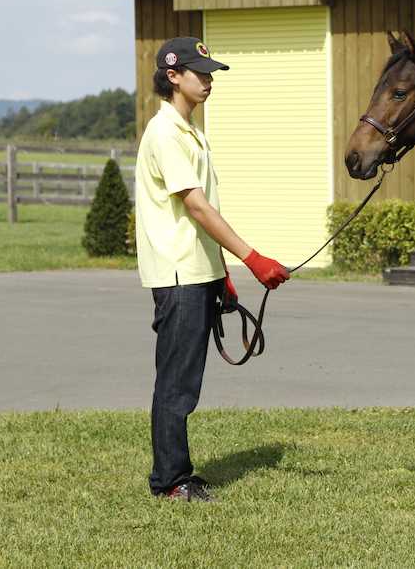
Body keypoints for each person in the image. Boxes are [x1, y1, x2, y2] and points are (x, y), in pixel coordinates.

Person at [133, 37, 289, 502]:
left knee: (186, 379)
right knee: (177, 383)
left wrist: (220, 273)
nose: (209, 80)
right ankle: (169, 482)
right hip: (178, 274)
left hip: (198, 271)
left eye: (211, 73)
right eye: (200, 72)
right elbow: (198, 209)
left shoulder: (190, 130)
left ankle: (178, 472)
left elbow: (200, 215)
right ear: (173, 75)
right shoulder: (165, 133)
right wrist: (253, 257)